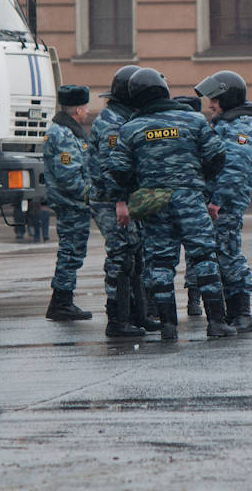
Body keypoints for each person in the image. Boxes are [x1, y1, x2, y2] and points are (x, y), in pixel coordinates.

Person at [107, 68, 235, 340]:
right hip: (190, 199)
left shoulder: (130, 129)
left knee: (160, 263)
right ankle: (216, 322)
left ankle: (168, 326)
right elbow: (217, 156)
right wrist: (198, 178)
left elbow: (118, 171)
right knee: (203, 257)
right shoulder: (193, 120)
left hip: (154, 204)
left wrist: (134, 191)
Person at [195, 71, 252, 333]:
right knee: (221, 254)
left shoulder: (242, 127)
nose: (210, 104)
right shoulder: (228, 122)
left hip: (225, 204)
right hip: (217, 202)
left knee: (228, 255)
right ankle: (233, 313)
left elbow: (235, 168)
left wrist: (218, 201)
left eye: (214, 99)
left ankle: (242, 314)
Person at [88, 65, 153, 337]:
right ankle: (117, 320)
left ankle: (139, 316)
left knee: (134, 256)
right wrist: (120, 201)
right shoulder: (112, 122)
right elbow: (111, 167)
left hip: (124, 199)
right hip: (111, 200)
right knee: (121, 257)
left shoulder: (125, 117)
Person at [43, 85, 93, 321]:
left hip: (75, 205)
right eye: (85, 106)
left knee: (73, 252)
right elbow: (69, 177)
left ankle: (63, 300)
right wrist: (90, 196)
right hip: (72, 205)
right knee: (70, 253)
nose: (87, 111)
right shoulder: (62, 134)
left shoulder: (69, 131)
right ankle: (61, 302)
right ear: (78, 110)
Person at [172, 94, 204, 316]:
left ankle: (158, 307)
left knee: (165, 252)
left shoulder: (167, 131)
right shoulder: (202, 130)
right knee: (197, 253)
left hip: (166, 201)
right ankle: (194, 301)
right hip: (196, 199)